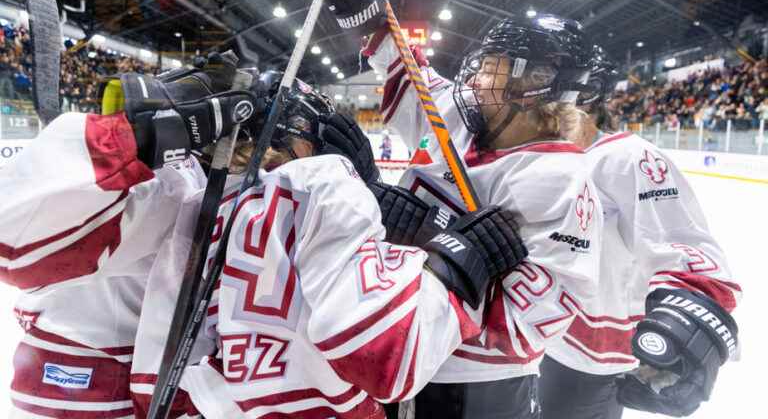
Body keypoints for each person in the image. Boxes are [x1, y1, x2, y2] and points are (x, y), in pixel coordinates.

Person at [312, 0, 605, 418]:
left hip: (475, 386)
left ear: (538, 84)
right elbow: (408, 70)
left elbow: (525, 325)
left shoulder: (559, 181)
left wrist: (425, 235)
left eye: (495, 66)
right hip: (399, 349)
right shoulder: (463, 114)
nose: (475, 77)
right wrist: (362, 6)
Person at [130, 71, 531, 418]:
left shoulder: (195, 206)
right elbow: (386, 357)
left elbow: (155, 385)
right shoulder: (322, 181)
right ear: (298, 135)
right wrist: (454, 267)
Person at [0, 52, 261, 417]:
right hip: (92, 391)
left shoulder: (182, 183)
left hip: (114, 385)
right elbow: (9, 238)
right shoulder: (162, 186)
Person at [538, 47, 741, 419]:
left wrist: (691, 309)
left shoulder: (628, 157)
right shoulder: (551, 156)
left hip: (595, 357)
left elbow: (682, 240)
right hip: (551, 338)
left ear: (587, 100)